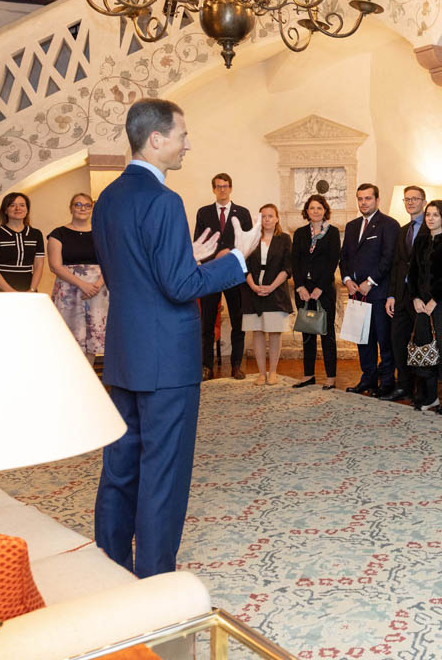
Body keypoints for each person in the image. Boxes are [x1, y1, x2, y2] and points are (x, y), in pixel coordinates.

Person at [92, 98, 259, 577]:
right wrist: (237, 259)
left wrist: (185, 254)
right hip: (167, 358)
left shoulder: (109, 197)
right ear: (157, 139)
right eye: (183, 135)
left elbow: (132, 269)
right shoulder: (165, 200)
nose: (189, 143)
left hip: (125, 352)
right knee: (163, 472)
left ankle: (108, 567)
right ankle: (155, 576)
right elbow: (179, 286)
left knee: (120, 466)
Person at [339, 183, 399, 395]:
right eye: (360, 199)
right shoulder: (352, 225)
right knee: (362, 340)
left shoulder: (389, 224)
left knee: (384, 340)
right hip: (356, 293)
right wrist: (347, 279)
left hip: (378, 293)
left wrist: (370, 281)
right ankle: (368, 379)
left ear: (377, 200)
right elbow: (344, 256)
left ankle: (388, 382)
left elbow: (388, 258)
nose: (363, 202)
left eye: (368, 198)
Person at [194, 173, 253, 381]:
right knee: (207, 322)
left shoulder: (243, 213)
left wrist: (228, 252)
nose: (222, 190)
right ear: (213, 189)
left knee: (238, 322)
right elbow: (198, 243)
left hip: (234, 273)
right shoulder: (203, 213)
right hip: (210, 274)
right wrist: (212, 258)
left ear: (231, 188)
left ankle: (237, 366)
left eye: (226, 186)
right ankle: (206, 366)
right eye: (218, 186)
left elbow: (247, 244)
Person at [407, 200, 442, 413]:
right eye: (428, 214)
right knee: (425, 349)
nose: (431, 218)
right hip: (420, 304)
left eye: (436, 215)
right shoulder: (419, 242)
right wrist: (415, 298)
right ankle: (431, 397)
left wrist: (434, 300)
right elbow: (412, 272)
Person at [47, 192, 107, 365]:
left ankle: (88, 381)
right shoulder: (58, 234)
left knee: (91, 341)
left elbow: (111, 261)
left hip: (98, 292)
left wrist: (96, 285)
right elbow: (55, 266)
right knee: (70, 339)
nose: (83, 208)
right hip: (69, 292)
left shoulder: (101, 234)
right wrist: (83, 285)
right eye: (78, 205)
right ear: (71, 208)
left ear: (92, 208)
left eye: (87, 205)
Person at [291, 194, 341, 390]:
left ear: (325, 210)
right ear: (307, 211)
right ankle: (308, 375)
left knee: (327, 334)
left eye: (319, 208)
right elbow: (295, 261)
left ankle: (330, 377)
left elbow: (332, 261)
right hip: (303, 291)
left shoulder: (333, 232)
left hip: (324, 290)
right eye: (312, 208)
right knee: (307, 332)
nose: (315, 211)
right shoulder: (300, 233)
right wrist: (300, 286)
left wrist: (320, 287)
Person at [242, 204, 294, 385]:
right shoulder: (252, 239)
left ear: (277, 218)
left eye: (270, 216)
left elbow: (288, 267)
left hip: (276, 291)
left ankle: (273, 372)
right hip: (253, 291)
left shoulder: (285, 239)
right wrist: (254, 286)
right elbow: (244, 266)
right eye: (263, 216)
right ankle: (261, 373)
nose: (267, 220)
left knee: (274, 332)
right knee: (257, 332)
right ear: (259, 219)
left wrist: (271, 287)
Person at [384, 185, 427, 402]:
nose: (410, 203)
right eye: (407, 199)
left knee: (421, 343)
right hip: (400, 297)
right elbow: (396, 265)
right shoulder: (402, 230)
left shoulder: (432, 229)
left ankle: (422, 389)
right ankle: (404, 386)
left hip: (421, 298)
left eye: (415, 199)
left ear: (424, 202)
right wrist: (391, 295)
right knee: (397, 341)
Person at [0, 192, 45, 292]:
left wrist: (32, 290)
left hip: (28, 288)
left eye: (22, 205)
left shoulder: (36, 234)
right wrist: (11, 292)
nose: (18, 208)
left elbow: (39, 265)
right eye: (12, 205)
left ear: (27, 209)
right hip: (1, 289)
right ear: (5, 210)